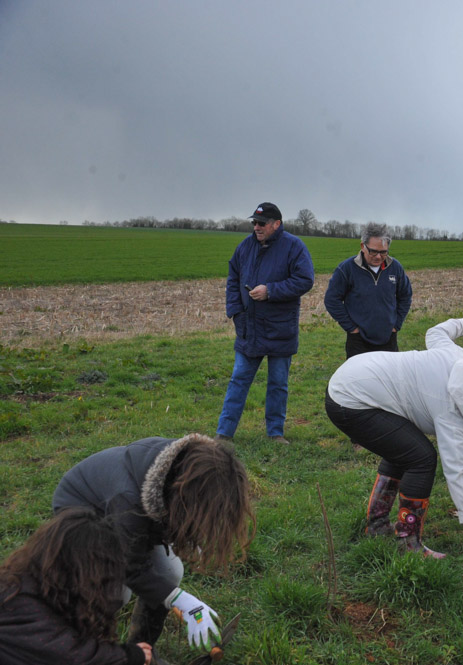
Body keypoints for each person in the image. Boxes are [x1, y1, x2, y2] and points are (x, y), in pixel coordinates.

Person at [325, 306, 463, 558]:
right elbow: (458, 472)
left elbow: (436, 332)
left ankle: (377, 526)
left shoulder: (457, 356)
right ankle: (409, 544)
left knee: (403, 450)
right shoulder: (451, 413)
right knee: (421, 458)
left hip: (355, 373)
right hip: (351, 400)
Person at [51, 434, 255, 656]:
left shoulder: (183, 467)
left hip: (126, 513)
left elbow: (174, 509)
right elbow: (130, 566)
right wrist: (180, 600)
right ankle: (91, 651)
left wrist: (188, 534)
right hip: (82, 512)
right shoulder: (128, 500)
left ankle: (144, 648)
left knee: (169, 572)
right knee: (115, 592)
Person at [0, 507, 153, 665]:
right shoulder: (24, 607)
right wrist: (129, 656)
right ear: (86, 576)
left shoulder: (24, 582)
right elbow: (73, 656)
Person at [216, 202, 314, 445]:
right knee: (238, 379)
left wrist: (270, 291)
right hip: (249, 327)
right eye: (254, 223)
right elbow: (233, 279)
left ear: (276, 224)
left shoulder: (294, 247)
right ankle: (224, 434)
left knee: (278, 383)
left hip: (281, 328)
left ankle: (275, 433)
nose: (256, 227)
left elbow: (304, 280)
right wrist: (235, 312)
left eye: (261, 223)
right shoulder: (245, 247)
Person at [324, 222, 413, 358]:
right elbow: (331, 299)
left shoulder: (395, 268)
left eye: (383, 252)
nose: (378, 257)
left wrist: (396, 324)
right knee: (359, 378)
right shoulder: (347, 269)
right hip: (358, 341)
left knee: (389, 378)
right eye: (373, 251)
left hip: (389, 338)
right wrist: (352, 328)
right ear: (363, 246)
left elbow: (406, 296)